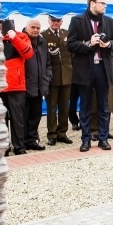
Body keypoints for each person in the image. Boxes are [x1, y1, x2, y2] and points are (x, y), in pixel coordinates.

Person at [67, 0, 113, 152]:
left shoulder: (110, 21)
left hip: (103, 68)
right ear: (92, 4)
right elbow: (70, 44)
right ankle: (86, 140)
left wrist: (109, 44)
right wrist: (89, 43)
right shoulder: (77, 20)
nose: (105, 6)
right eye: (102, 3)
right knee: (85, 106)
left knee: (104, 105)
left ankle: (103, 138)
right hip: (85, 69)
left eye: (105, 4)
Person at [0, 20, 34, 156]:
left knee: (17, 119)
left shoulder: (21, 36)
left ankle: (19, 147)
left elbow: (28, 53)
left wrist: (14, 38)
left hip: (16, 86)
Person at [41, 15, 73, 146]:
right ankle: (52, 134)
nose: (55, 23)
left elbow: (72, 53)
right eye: (53, 21)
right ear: (49, 21)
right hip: (52, 77)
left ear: (62, 22)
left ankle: (62, 133)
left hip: (66, 76)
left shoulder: (67, 33)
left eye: (58, 21)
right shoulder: (43, 35)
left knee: (65, 107)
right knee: (52, 108)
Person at [23, 19, 51, 151]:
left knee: (36, 115)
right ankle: (21, 141)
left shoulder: (42, 41)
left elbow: (48, 63)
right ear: (26, 27)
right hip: (25, 87)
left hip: (40, 86)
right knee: (23, 116)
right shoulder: (21, 40)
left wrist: (47, 78)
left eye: (38, 28)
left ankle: (32, 140)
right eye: (32, 27)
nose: (35, 30)